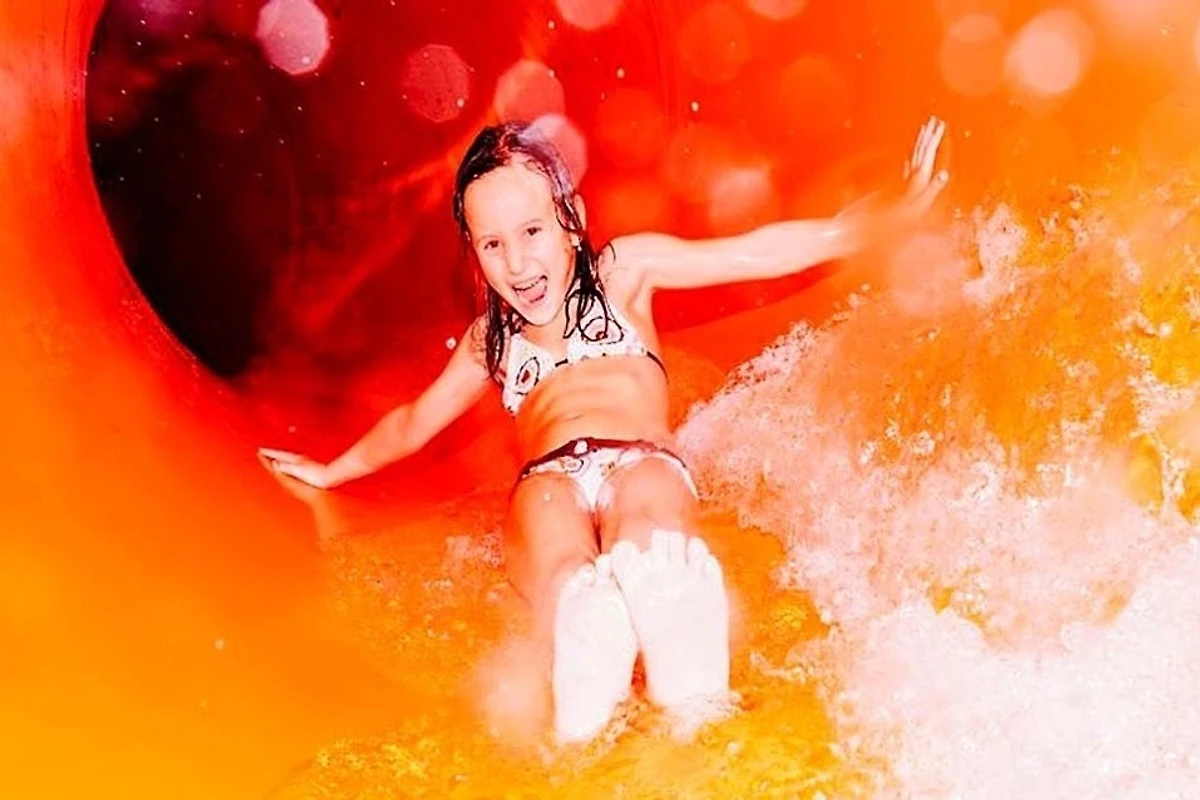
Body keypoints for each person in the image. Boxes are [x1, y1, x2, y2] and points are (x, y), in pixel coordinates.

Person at [259, 116, 949, 744]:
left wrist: (855, 230)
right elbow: (414, 422)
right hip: (548, 476)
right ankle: (585, 622)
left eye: (532, 232)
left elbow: (748, 252)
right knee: (555, 542)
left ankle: (672, 623)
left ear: (571, 221)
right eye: (493, 244)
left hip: (639, 455)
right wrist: (332, 470)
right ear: (473, 252)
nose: (518, 264)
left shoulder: (624, 274)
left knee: (646, 510)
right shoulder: (489, 342)